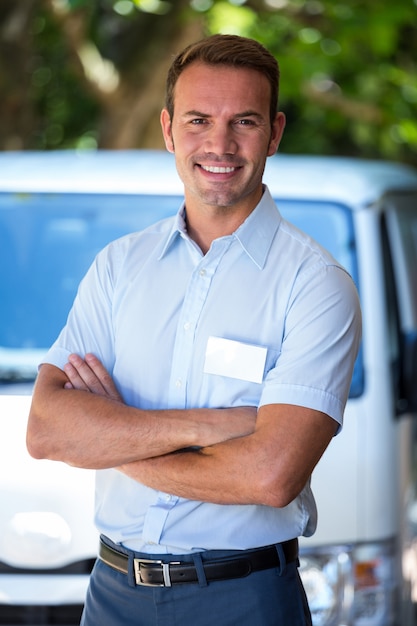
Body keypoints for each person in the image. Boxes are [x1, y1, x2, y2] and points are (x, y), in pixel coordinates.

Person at [27, 33, 361, 625]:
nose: (220, 143)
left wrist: (110, 440)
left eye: (245, 122)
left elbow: (270, 475)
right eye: (199, 119)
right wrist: (216, 427)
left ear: (275, 134)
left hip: (244, 598)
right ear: (167, 129)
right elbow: (47, 431)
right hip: (111, 596)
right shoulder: (117, 267)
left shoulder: (316, 285)